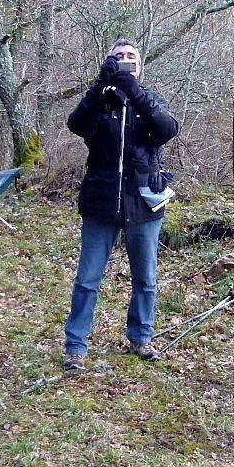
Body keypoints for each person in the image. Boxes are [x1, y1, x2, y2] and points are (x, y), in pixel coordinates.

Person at [62, 40, 179, 370]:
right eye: (118, 57)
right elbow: (77, 125)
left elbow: (167, 129)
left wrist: (135, 93)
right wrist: (100, 85)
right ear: (109, 63)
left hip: (144, 202)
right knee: (87, 279)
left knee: (146, 278)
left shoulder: (149, 100)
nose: (125, 61)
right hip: (101, 201)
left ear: (139, 67)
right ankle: (75, 346)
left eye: (131, 58)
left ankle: (141, 337)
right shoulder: (100, 100)